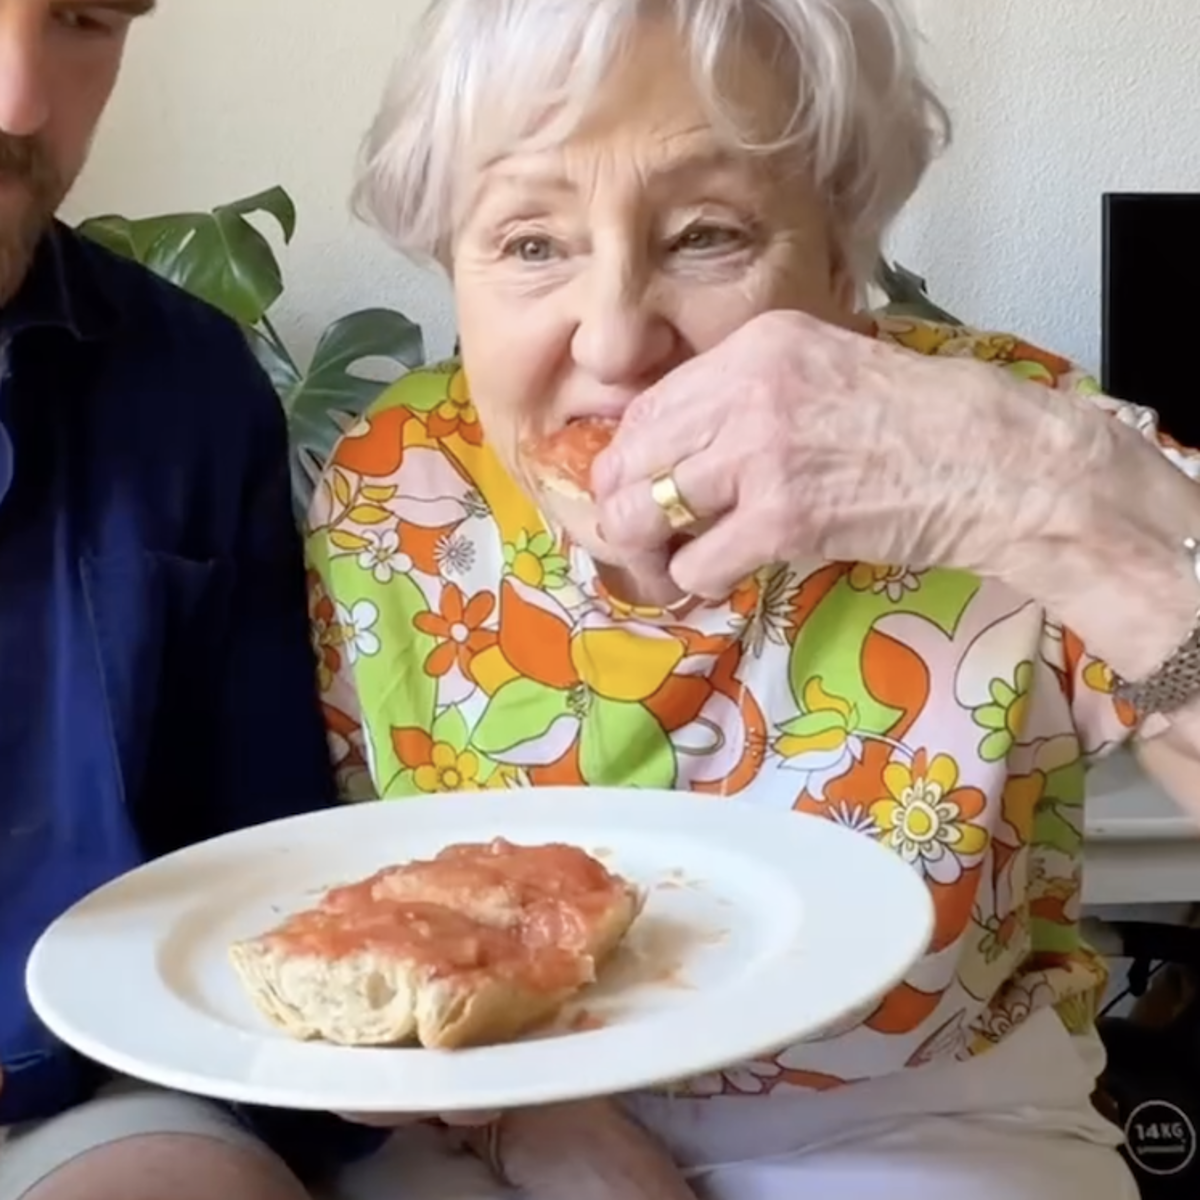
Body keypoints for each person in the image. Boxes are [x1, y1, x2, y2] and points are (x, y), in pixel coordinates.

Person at [307, 0, 1200, 1196]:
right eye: (531, 243)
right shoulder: (397, 479)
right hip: (498, 1104)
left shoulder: (996, 437)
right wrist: (521, 1122)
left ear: (843, 256)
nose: (618, 341)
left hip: (937, 1118)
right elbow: (368, 904)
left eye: (707, 234)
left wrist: (1043, 502)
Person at [0, 3, 389, 1198]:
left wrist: (507, 1110)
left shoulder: (191, 383)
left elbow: (261, 855)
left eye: (81, 20)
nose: (21, 101)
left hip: (99, 1087)